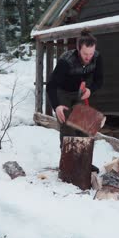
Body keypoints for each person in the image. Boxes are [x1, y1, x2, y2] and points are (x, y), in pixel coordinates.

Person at [46, 29, 104, 173]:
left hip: (79, 93)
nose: (88, 57)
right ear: (78, 49)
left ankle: (84, 164)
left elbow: (99, 80)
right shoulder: (66, 61)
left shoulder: (97, 57)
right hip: (62, 93)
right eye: (85, 54)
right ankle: (69, 166)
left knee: (85, 129)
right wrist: (56, 106)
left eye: (91, 54)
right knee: (68, 131)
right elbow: (51, 85)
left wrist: (90, 90)